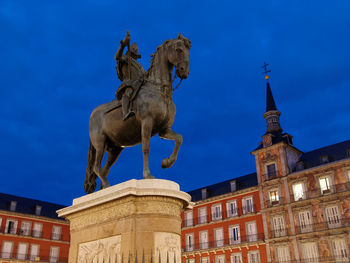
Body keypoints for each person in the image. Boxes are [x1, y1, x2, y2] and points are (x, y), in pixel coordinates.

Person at [115, 31, 145, 120]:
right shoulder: (125, 58)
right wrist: (123, 46)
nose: (134, 56)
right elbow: (117, 57)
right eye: (133, 54)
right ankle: (125, 113)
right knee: (128, 92)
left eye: (135, 55)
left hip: (140, 84)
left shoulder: (140, 66)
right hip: (129, 83)